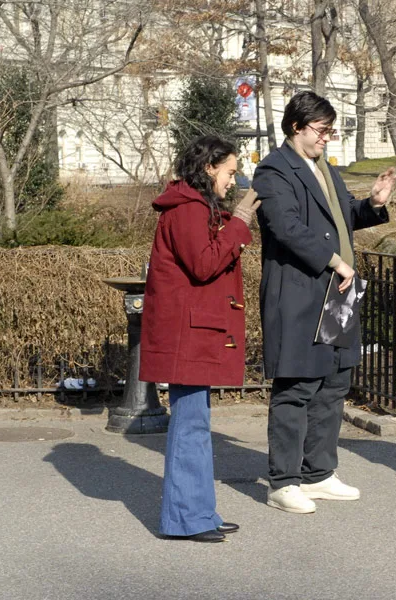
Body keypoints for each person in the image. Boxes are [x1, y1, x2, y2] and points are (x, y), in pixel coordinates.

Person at [252, 90, 395, 514]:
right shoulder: (273, 170)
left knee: (333, 384)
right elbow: (287, 228)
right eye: (322, 130)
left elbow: (341, 216)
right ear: (297, 126)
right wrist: (334, 261)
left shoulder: (324, 168)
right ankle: (283, 482)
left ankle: (318, 474)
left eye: (330, 131)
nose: (327, 138)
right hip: (300, 295)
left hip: (338, 294)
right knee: (296, 387)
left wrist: (372, 204)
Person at [140, 135, 261, 543]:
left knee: (195, 423)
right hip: (187, 335)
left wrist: (233, 221)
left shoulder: (192, 206)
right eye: (230, 171)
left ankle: (200, 512)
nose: (233, 179)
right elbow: (205, 263)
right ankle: (186, 518)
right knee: (190, 425)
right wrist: (239, 221)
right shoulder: (188, 209)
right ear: (209, 168)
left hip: (191, 331)